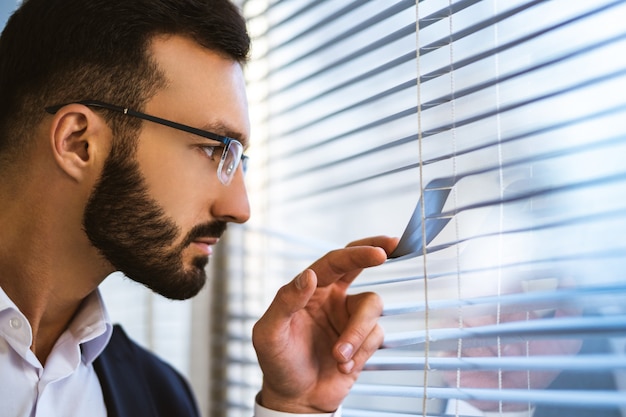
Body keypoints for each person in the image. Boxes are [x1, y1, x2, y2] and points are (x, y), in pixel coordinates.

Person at [0, 0, 398, 416]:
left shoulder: (161, 396)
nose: (240, 208)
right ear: (79, 143)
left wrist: (294, 406)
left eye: (237, 160)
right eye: (213, 149)